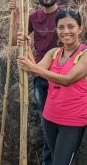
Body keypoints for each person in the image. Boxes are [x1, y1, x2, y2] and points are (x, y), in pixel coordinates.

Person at [17, 8, 87, 165]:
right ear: (56, 30)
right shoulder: (54, 53)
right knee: (56, 159)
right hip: (50, 117)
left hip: (72, 121)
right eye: (61, 27)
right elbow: (35, 72)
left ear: (80, 29)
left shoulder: (84, 54)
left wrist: (34, 68)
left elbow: (67, 80)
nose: (66, 31)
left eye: (71, 26)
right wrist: (27, 46)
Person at [9, 0, 62, 165]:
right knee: (45, 121)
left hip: (62, 76)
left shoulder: (64, 15)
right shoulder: (34, 16)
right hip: (39, 75)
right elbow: (15, 41)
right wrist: (15, 15)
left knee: (63, 122)